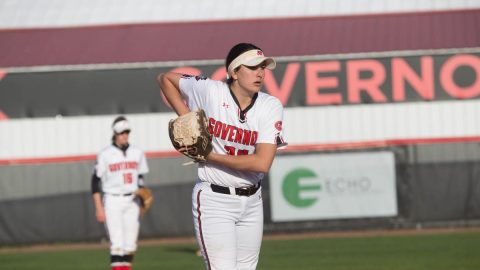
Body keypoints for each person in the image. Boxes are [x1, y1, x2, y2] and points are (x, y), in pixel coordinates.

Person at [157, 42, 287, 270]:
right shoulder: (211, 91)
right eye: (253, 67)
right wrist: (186, 118)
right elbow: (165, 79)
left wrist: (209, 155)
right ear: (234, 72)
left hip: (252, 201)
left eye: (263, 67)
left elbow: (262, 162)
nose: (260, 72)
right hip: (215, 199)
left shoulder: (270, 105)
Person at [91, 116, 149, 270]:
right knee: (117, 244)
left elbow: (140, 177)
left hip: (133, 200)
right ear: (115, 133)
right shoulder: (105, 154)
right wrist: (98, 208)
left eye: (127, 132)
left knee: (130, 245)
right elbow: (94, 182)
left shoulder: (137, 152)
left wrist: (142, 194)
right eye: (121, 132)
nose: (124, 135)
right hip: (113, 200)